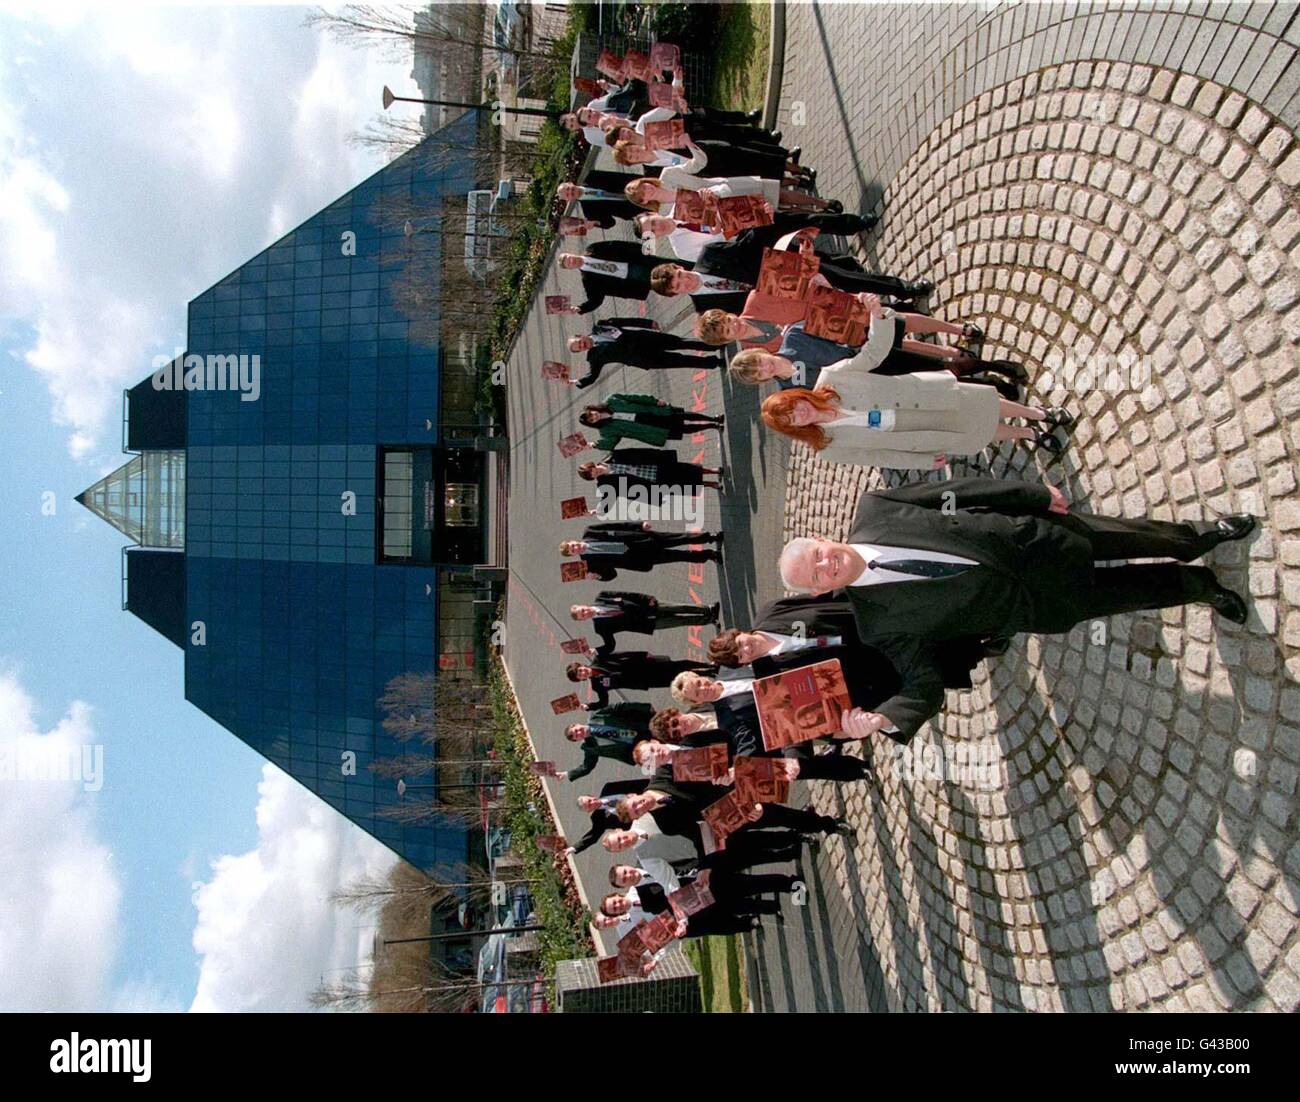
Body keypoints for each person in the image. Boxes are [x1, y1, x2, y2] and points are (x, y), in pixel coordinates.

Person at [777, 478, 1256, 740]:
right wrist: (882, 718)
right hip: (1037, 605)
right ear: (820, 593)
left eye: (817, 555)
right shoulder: (878, 625)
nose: (825, 565)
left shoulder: (877, 507)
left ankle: (1199, 537)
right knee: (1131, 592)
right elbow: (923, 683)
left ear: (822, 538)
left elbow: (959, 493)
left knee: (1131, 535)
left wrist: (1031, 495)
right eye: (816, 575)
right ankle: (1200, 587)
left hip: (1034, 541)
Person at [761, 367, 1072, 469]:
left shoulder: (832, 378)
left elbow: (870, 356)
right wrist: (920, 461)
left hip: (913, 396)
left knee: (980, 403)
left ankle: (1039, 414)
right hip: (905, 432)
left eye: (793, 407)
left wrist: (879, 317)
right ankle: (1030, 435)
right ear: (795, 429)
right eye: (791, 421)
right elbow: (878, 457)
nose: (799, 414)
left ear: (797, 396)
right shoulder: (827, 447)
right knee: (970, 432)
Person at [569, 318, 722, 389]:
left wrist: (647, 323)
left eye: (580, 342)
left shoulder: (600, 326)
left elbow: (625, 322)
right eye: (580, 348)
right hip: (645, 359)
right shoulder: (595, 357)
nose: (583, 345)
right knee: (681, 361)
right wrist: (576, 382)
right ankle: (714, 362)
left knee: (681, 342)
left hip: (647, 339)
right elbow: (592, 377)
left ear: (581, 335)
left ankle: (713, 344)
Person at [561, 522, 723, 581]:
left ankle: (710, 537)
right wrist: (598, 577)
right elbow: (611, 574)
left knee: (679, 538)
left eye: (573, 545)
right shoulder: (589, 564)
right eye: (572, 550)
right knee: (679, 556)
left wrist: (639, 525)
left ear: (573, 540)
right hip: (639, 558)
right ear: (573, 555)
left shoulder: (590, 531)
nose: (576, 548)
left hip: (641, 539)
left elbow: (617, 526)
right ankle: (709, 555)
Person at [571, 590, 721, 653]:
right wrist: (597, 650)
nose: (585, 613)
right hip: (647, 624)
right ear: (583, 620)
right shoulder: (600, 627)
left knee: (678, 607)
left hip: (647, 607)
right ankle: (709, 619)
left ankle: (708, 608)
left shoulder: (602, 597)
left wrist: (647, 598)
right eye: (582, 616)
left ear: (583, 605)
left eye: (582, 610)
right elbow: (610, 645)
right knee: (679, 620)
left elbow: (627, 594)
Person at [557, 240, 683, 314]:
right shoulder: (588, 280)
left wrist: (642, 249)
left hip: (637, 262)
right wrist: (580, 308)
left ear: (571, 253)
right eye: (569, 264)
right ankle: (693, 289)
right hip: (633, 281)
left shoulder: (593, 248)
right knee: (669, 285)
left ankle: (697, 267)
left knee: (673, 267)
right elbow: (595, 300)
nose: (572, 261)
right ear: (570, 268)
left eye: (569, 258)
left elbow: (618, 245)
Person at [566, 652, 717, 708]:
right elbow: (603, 702)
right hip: (645, 681)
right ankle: (709, 676)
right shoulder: (597, 686)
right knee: (676, 680)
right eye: (580, 675)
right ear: (581, 680)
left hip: (644, 665)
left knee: (680, 665)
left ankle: (708, 667)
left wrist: (644, 655)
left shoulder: (599, 660)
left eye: (580, 670)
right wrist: (590, 706)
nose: (583, 673)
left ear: (582, 665)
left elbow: (622, 655)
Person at [580, 395, 724, 447]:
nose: (594, 417)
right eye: (591, 420)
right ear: (592, 423)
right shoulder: (605, 430)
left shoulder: (611, 400)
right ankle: (712, 426)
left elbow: (634, 398)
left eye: (592, 414)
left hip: (650, 412)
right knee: (684, 429)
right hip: (648, 428)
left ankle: (713, 418)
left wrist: (654, 401)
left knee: (684, 416)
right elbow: (610, 443)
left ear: (593, 409)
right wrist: (593, 445)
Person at [576, 448, 725, 495]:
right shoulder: (604, 483)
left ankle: (712, 471)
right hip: (650, 482)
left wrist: (657, 454)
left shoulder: (611, 457)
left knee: (685, 469)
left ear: (592, 465)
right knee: (683, 485)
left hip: (652, 466)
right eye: (590, 476)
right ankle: (711, 485)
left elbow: (636, 452)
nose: (594, 474)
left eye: (591, 471)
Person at [560, 717, 652, 782]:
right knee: (659, 759)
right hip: (634, 751)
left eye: (576, 730)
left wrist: (646, 708)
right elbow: (586, 767)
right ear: (578, 740)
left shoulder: (595, 717)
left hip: (638, 731)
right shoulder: (590, 747)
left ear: (576, 724)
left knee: (661, 738)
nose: (579, 733)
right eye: (577, 736)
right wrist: (567, 774)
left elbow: (619, 707)